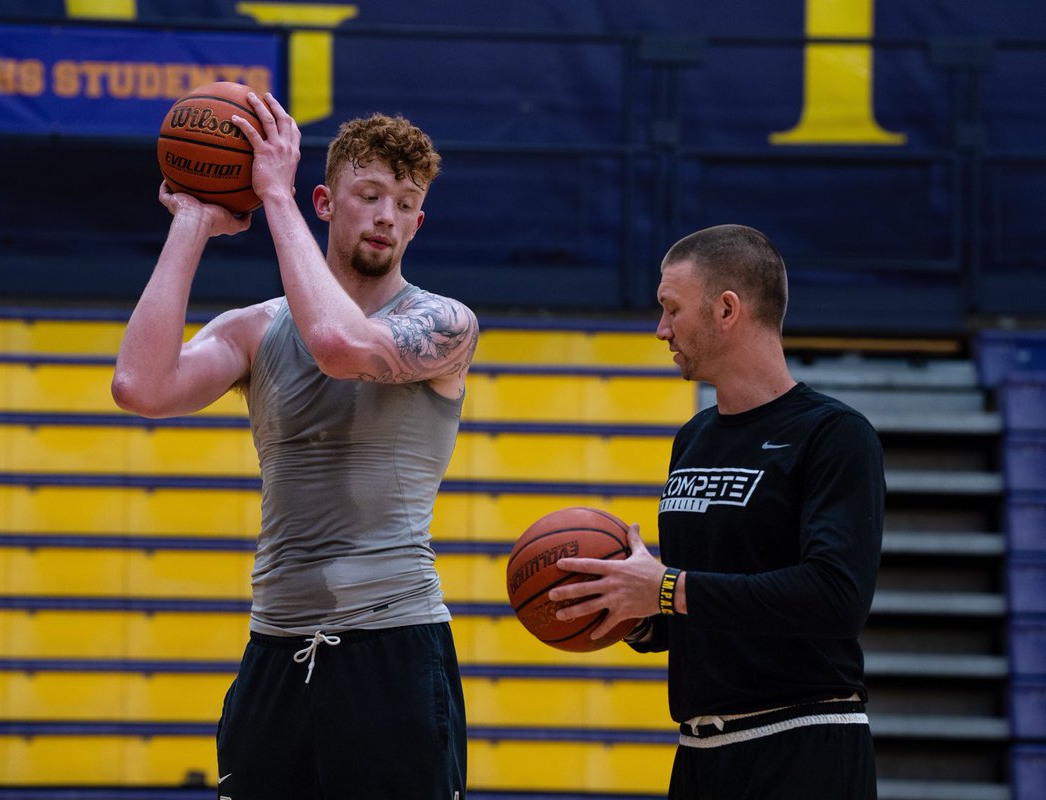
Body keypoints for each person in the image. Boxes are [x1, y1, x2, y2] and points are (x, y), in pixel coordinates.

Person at [112, 92, 477, 800]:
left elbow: (341, 346)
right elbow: (140, 387)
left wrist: (270, 195)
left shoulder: (443, 323)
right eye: (368, 195)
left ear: (419, 223)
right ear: (325, 202)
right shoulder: (255, 328)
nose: (385, 216)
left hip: (392, 644)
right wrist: (192, 223)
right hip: (276, 646)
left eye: (405, 204)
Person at [549, 224, 885, 799]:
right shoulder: (694, 438)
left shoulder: (835, 434)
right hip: (702, 753)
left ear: (727, 309)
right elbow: (701, 604)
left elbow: (835, 598)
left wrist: (664, 589)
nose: (660, 330)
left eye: (671, 309)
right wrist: (630, 610)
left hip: (806, 745)